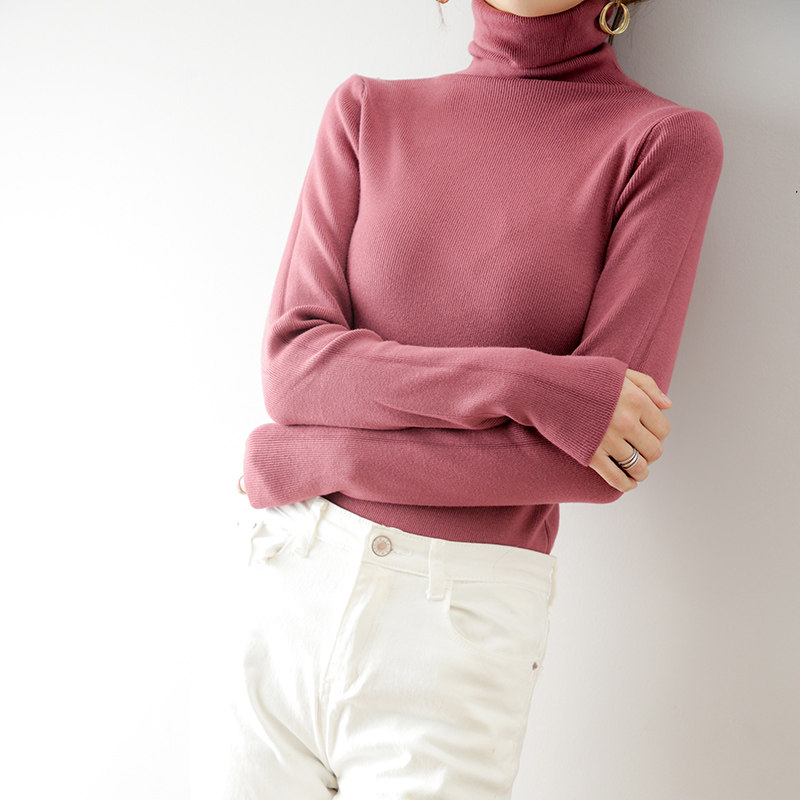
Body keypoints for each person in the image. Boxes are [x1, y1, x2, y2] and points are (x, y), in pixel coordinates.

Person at [225, 1, 724, 797]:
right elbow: (293, 369)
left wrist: (314, 454)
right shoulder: (366, 111)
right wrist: (532, 384)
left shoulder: (661, 142)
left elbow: (603, 458)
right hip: (288, 578)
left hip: (452, 626)